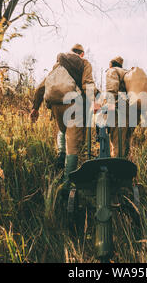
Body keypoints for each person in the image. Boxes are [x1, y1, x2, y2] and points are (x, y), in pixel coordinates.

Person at [30, 44, 98, 189]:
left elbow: (41, 87)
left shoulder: (58, 64)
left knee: (63, 130)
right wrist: (94, 101)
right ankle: (67, 185)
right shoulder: (84, 63)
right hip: (73, 103)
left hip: (55, 104)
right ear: (82, 54)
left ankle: (61, 154)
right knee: (73, 144)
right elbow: (87, 83)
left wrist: (35, 108)